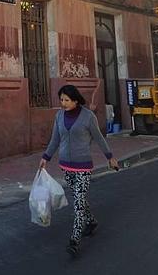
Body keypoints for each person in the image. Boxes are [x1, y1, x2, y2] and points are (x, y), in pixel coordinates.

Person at [39, 84, 119, 257]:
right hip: (66, 165)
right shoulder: (59, 116)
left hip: (83, 166)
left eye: (67, 100)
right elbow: (55, 139)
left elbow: (98, 137)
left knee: (78, 203)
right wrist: (46, 157)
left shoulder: (88, 117)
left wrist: (110, 157)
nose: (63, 103)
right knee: (78, 198)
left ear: (75, 100)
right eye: (61, 100)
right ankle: (91, 222)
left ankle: (74, 240)